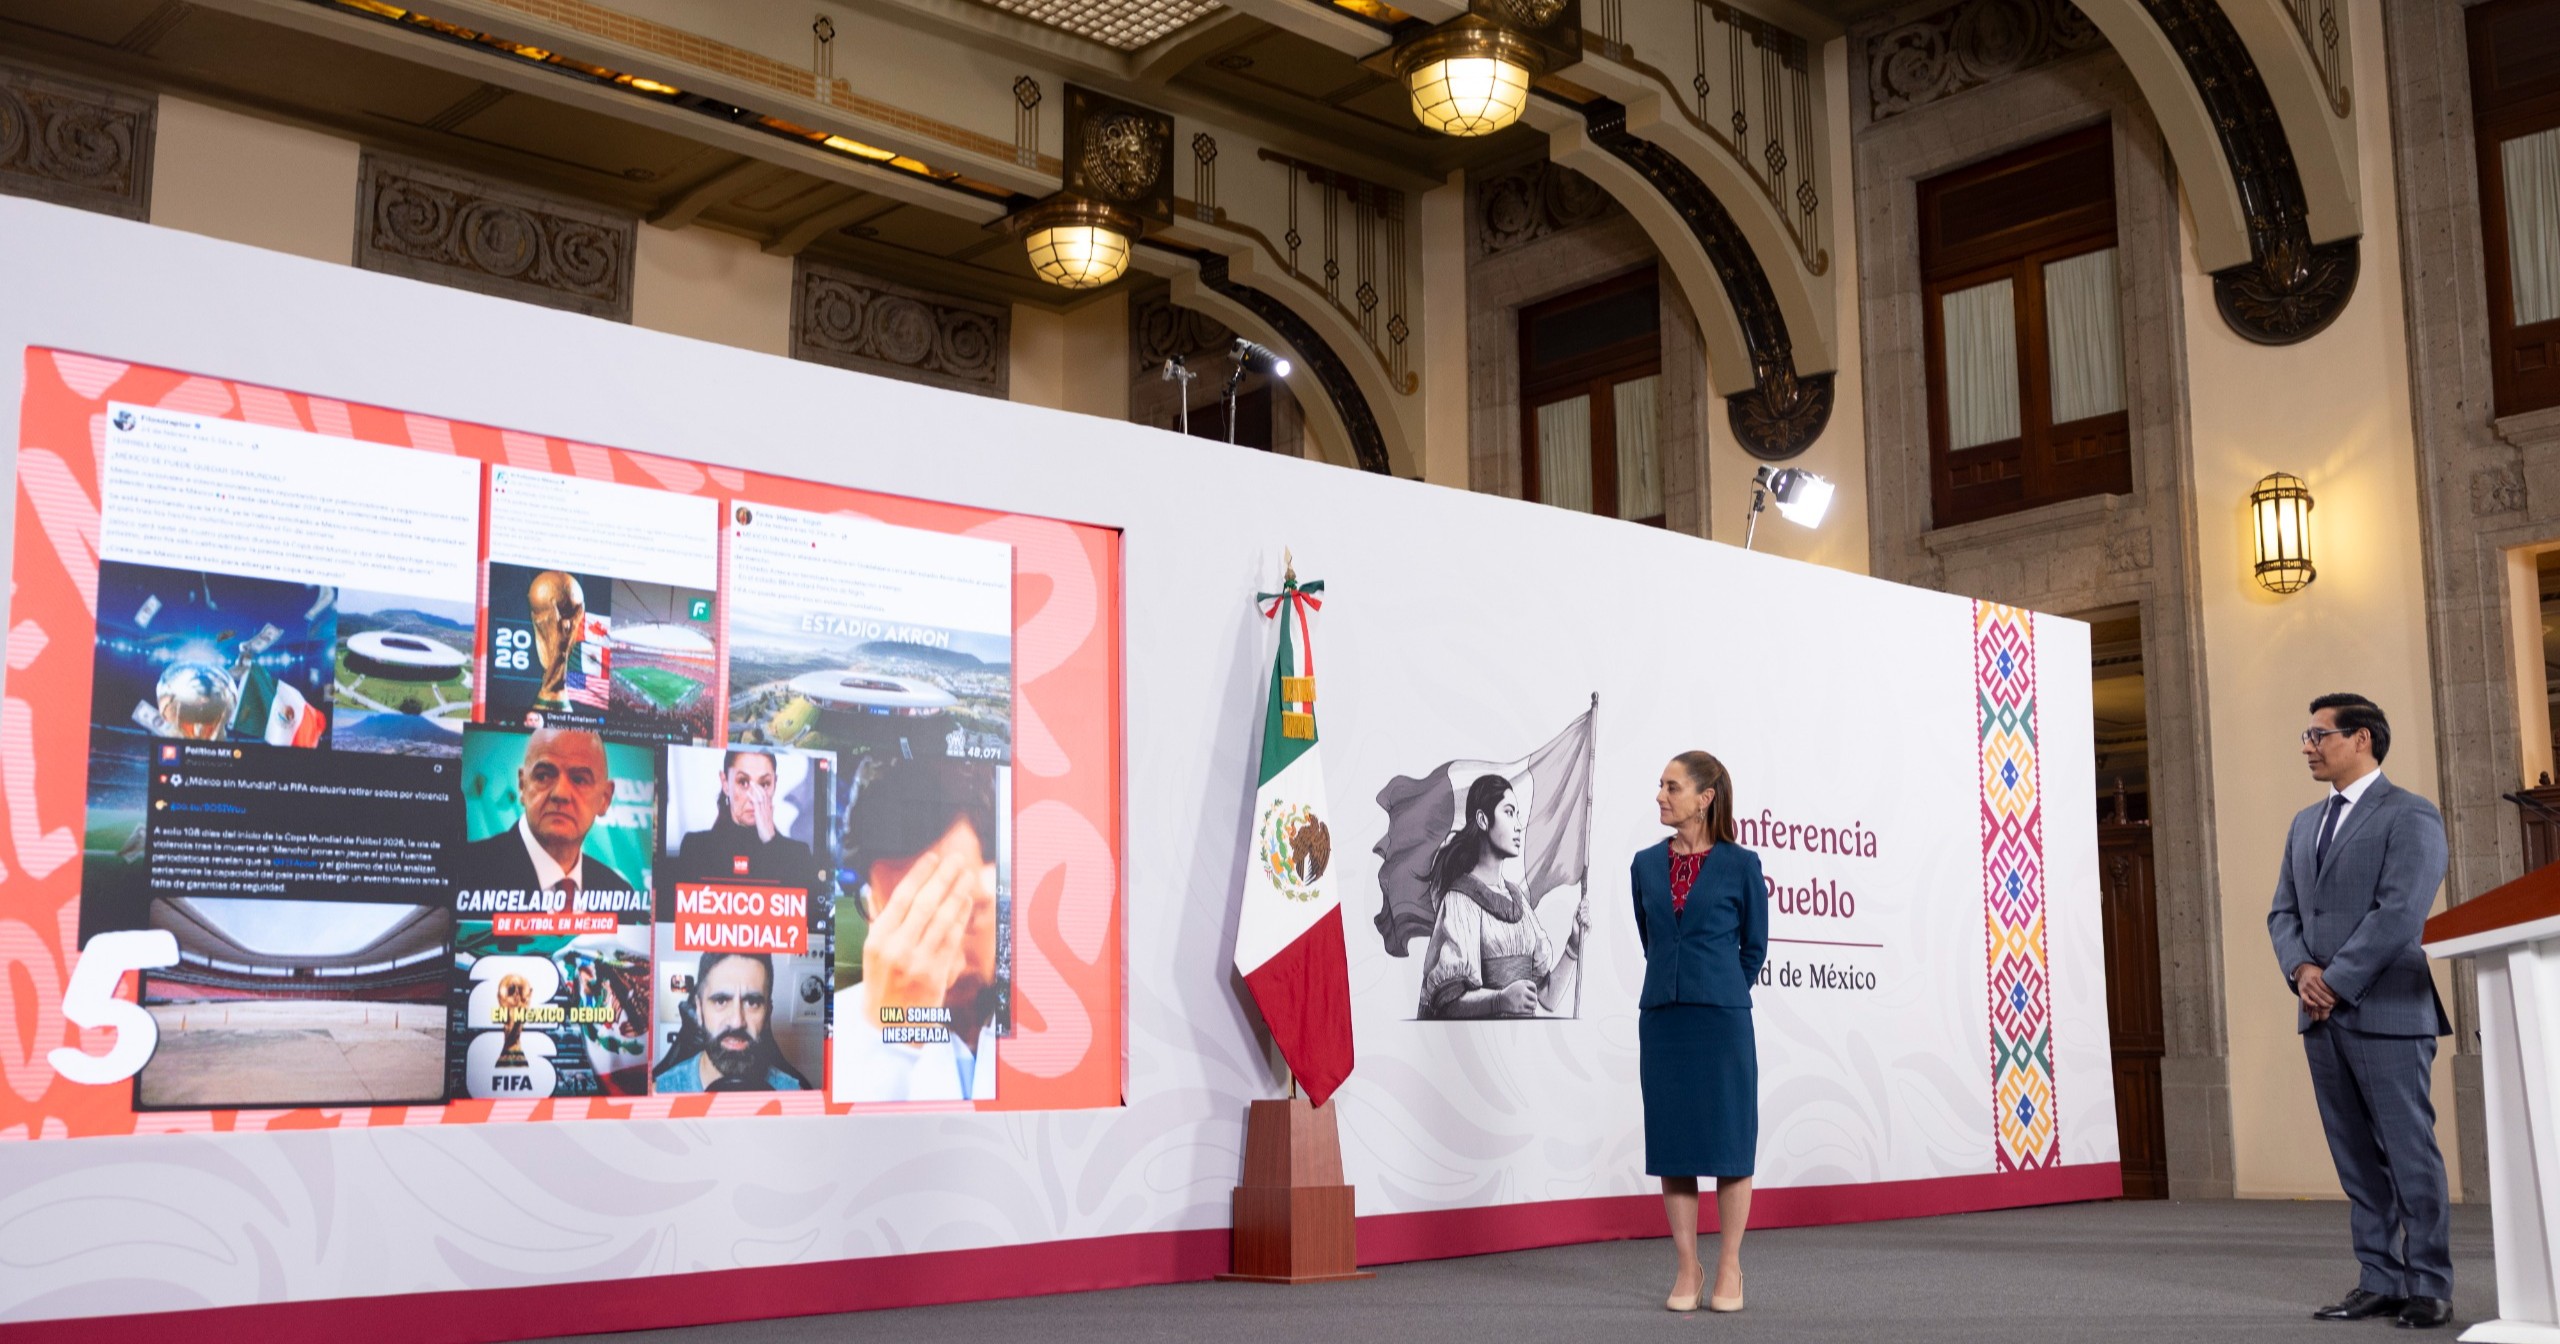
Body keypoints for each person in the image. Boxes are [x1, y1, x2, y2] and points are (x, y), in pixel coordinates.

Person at [2267, 693, 2453, 1330]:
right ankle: (2380, 1278)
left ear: (2363, 738)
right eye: (2308, 734)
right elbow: (2283, 912)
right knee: (2354, 1158)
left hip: (2388, 1010)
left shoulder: (2411, 815)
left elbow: (2401, 912)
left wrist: (2336, 981)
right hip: (2320, 1015)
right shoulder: (2302, 824)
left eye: (2318, 735)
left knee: (2408, 1153)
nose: (2307, 746)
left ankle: (2429, 1284)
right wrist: (2302, 972)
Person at [1632, 751, 1765, 1314]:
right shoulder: (1642, 865)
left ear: (1705, 797)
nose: (1661, 796)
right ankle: (1688, 1266)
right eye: (1661, 786)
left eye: (1672, 787)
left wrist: (1720, 988)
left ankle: (1730, 1264)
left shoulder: (1741, 864)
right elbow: (1650, 936)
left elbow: (1753, 948)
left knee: (1731, 1147)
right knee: (1675, 1147)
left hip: (1722, 1021)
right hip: (1664, 1018)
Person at [830, 757, 1003, 1101]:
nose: (942, 969)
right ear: (873, 910)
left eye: (966, 913)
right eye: (905, 922)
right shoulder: (839, 1037)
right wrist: (891, 1039)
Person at [1414, 773, 1587, 1019]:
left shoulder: (1518, 900)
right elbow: (1447, 1003)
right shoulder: (1460, 901)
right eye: (1509, 812)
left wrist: (1574, 945)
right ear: (1483, 820)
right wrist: (1500, 1000)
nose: (1518, 825)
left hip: (1521, 1048)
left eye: (1517, 814)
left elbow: (1547, 997)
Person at [450, 727, 638, 896]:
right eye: (544, 776)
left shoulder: (618, 891)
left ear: (604, 799)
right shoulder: (464, 871)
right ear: (523, 785)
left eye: (579, 779)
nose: (561, 793)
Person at [650, 951, 810, 1092]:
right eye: (721, 1000)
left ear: (768, 1013)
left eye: (752, 1002)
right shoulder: (660, 1096)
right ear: (699, 1009)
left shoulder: (793, 1095)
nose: (737, 1022)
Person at [666, 749, 821, 891]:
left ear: (775, 784)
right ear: (725, 783)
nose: (754, 797)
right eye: (743, 782)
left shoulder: (798, 855)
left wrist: (771, 841)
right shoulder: (696, 848)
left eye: (764, 784)